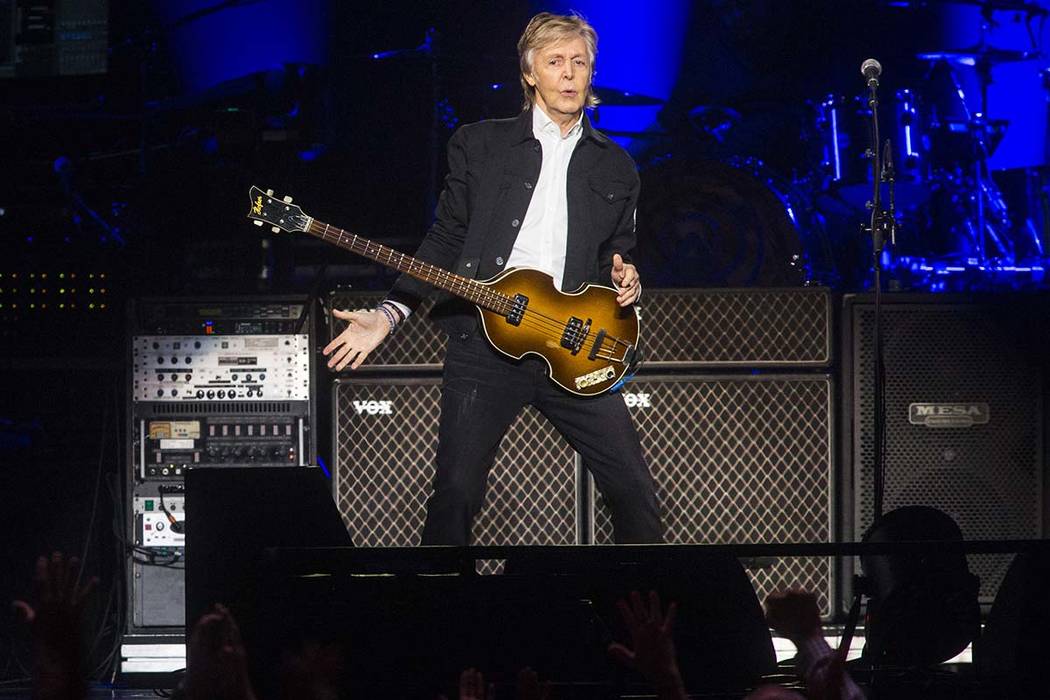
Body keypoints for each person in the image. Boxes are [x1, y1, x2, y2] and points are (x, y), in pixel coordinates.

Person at [323, 11, 663, 545]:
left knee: (635, 493)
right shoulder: (479, 145)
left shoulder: (617, 167)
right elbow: (444, 240)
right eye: (556, 63)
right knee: (456, 492)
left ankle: (637, 623)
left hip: (572, 347)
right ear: (531, 74)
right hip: (484, 346)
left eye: (579, 63)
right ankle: (443, 620)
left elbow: (614, 260)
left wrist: (626, 281)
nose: (570, 74)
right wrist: (390, 315)